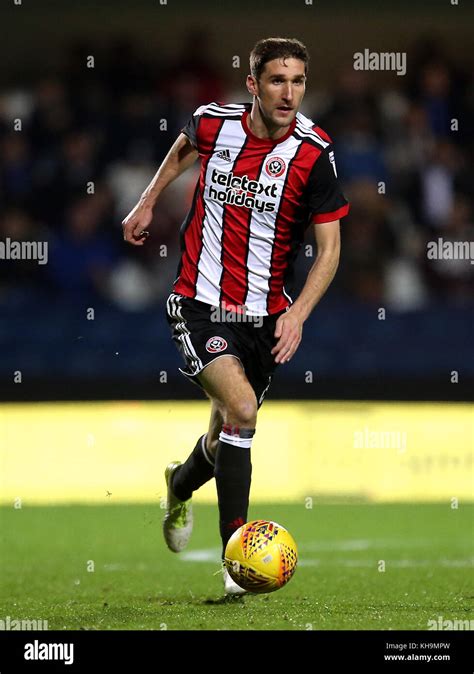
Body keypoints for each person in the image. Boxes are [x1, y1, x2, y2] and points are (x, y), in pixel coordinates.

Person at [122, 37, 349, 595]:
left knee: (225, 436)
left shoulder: (314, 153)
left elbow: (331, 248)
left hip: (265, 318)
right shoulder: (213, 123)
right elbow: (184, 146)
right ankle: (236, 566)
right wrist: (149, 199)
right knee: (242, 409)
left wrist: (297, 315)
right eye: (277, 80)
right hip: (199, 304)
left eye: (297, 81)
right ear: (252, 85)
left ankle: (179, 483)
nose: (288, 93)